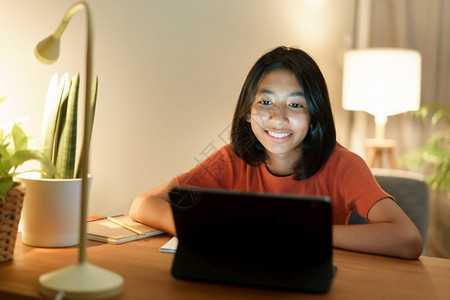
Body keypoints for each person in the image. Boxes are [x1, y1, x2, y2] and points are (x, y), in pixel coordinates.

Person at [130, 46, 423, 259]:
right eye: (265, 103)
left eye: (295, 105)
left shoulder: (343, 165)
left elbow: (407, 238)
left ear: (314, 115)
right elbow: (143, 204)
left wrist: (297, 233)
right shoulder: (232, 159)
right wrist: (202, 230)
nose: (278, 117)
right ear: (247, 113)